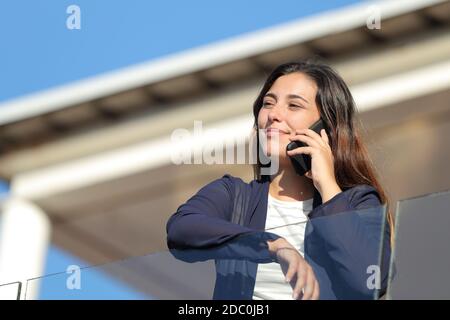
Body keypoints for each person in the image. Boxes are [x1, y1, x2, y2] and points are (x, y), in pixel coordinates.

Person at [166, 59, 393, 300]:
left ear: (325, 127)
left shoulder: (358, 202)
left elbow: (371, 280)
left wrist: (327, 184)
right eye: (268, 103)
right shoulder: (234, 195)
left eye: (294, 105)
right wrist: (273, 245)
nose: (274, 114)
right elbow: (182, 229)